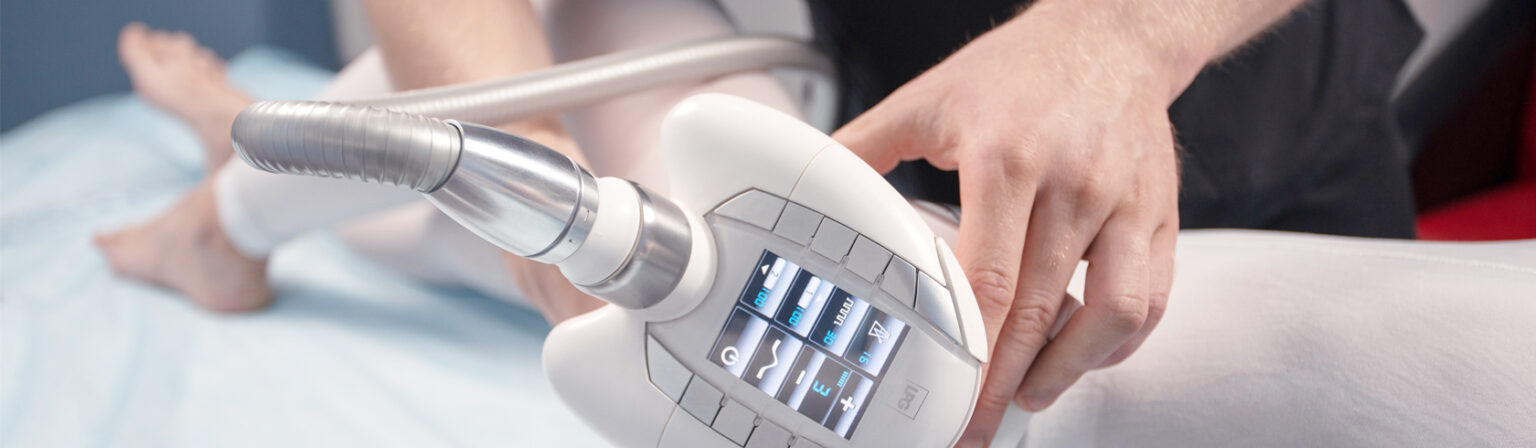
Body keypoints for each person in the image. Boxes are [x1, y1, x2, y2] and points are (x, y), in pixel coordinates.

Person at [99, 0, 1425, 445]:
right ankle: (238, 189)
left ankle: (239, 158)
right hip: (899, 147)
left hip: (1276, 108)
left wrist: (1119, 34)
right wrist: (533, 181)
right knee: (588, 70)